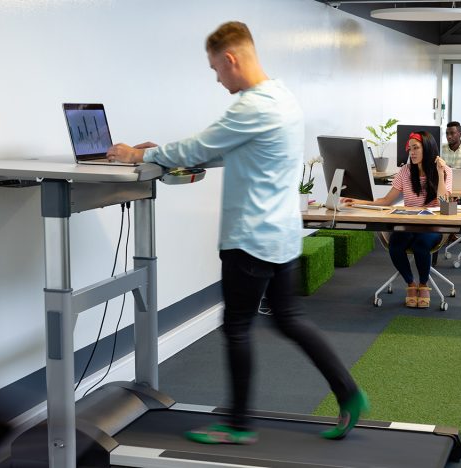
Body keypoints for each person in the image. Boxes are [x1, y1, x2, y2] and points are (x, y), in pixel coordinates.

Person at [106, 21, 367, 444]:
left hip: (251, 237)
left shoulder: (252, 105)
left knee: (237, 327)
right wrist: (162, 152)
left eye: (215, 69)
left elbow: (201, 146)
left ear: (230, 59)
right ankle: (349, 393)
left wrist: (139, 153)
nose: (216, 77)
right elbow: (232, 149)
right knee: (290, 319)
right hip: (281, 235)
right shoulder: (282, 97)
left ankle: (238, 426)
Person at [345, 132, 452, 308]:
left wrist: (440, 173)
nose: (412, 152)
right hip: (408, 224)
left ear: (428, 148)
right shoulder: (405, 171)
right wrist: (358, 200)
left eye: (416, 148)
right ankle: (410, 284)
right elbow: (386, 201)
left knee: (421, 245)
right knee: (395, 244)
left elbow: (443, 204)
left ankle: (424, 284)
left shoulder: (445, 171)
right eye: (410, 149)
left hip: (433, 226)